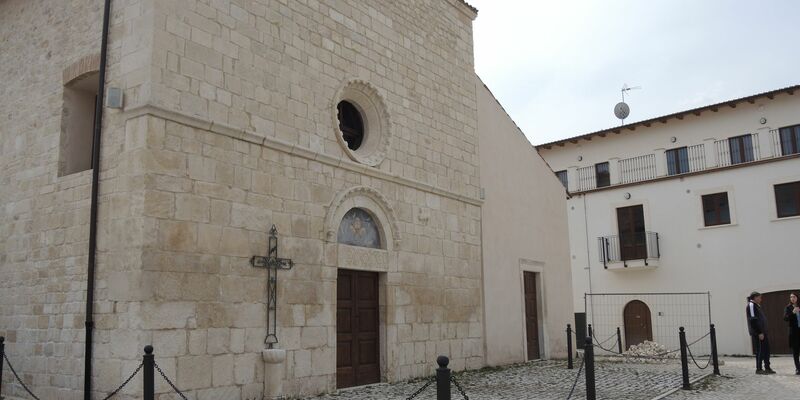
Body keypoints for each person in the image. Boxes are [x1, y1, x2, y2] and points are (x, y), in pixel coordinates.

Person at [746, 291, 775, 374]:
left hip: (763, 332)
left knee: (766, 350)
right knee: (760, 350)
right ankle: (759, 369)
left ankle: (767, 367)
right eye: (759, 297)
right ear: (755, 297)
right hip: (758, 333)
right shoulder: (751, 305)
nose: (761, 299)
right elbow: (753, 320)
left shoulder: (757, 306)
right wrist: (759, 332)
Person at [784, 292, 800, 375]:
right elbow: (785, 318)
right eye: (791, 297)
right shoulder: (788, 307)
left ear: (797, 297)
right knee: (796, 351)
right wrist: (792, 312)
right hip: (794, 332)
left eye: (794, 297)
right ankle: (798, 368)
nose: (792, 298)